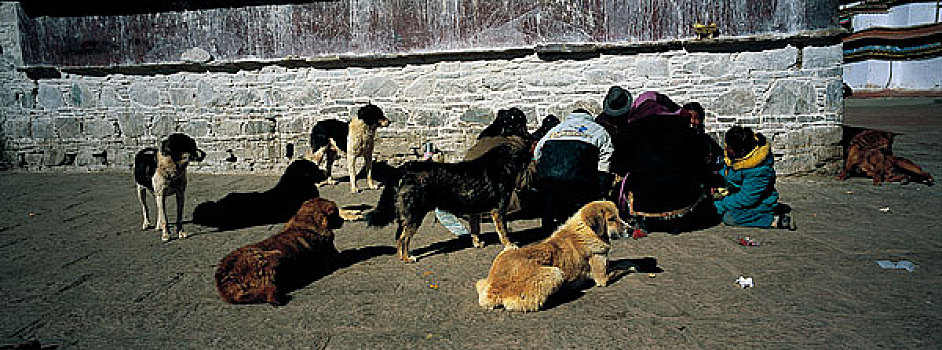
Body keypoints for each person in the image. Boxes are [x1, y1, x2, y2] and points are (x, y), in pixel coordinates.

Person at [533, 108, 615, 232]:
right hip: (579, 180)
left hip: (549, 179)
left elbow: (537, 152)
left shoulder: (556, 129)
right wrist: (602, 183)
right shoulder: (599, 130)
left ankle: (548, 227)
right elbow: (605, 158)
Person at [713, 126, 795, 229]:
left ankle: (774, 220)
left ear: (741, 151)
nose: (726, 150)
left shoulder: (759, 171)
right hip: (734, 194)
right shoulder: (734, 156)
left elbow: (746, 198)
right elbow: (726, 172)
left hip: (758, 203)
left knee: (730, 218)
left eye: (729, 148)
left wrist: (718, 205)